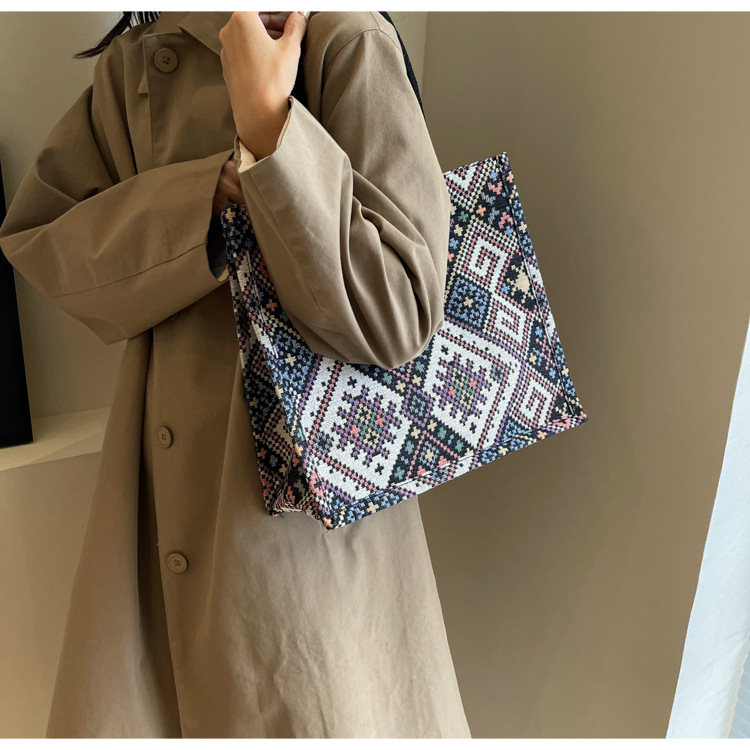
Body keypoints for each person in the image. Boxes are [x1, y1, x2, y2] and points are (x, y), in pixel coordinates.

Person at [0, 11, 470, 739]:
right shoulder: (133, 62)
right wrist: (204, 195)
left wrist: (271, 128)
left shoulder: (345, 40)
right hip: (151, 509)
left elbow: (397, 314)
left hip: (302, 522)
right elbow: (43, 240)